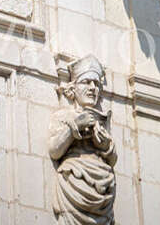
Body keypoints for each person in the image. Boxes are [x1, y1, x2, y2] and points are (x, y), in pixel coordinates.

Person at [48, 55, 117, 224]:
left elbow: (113, 158)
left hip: (103, 186)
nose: (93, 88)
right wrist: (74, 128)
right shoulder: (64, 116)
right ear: (73, 88)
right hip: (74, 183)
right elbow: (54, 150)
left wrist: (104, 144)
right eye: (86, 82)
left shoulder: (102, 119)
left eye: (97, 84)